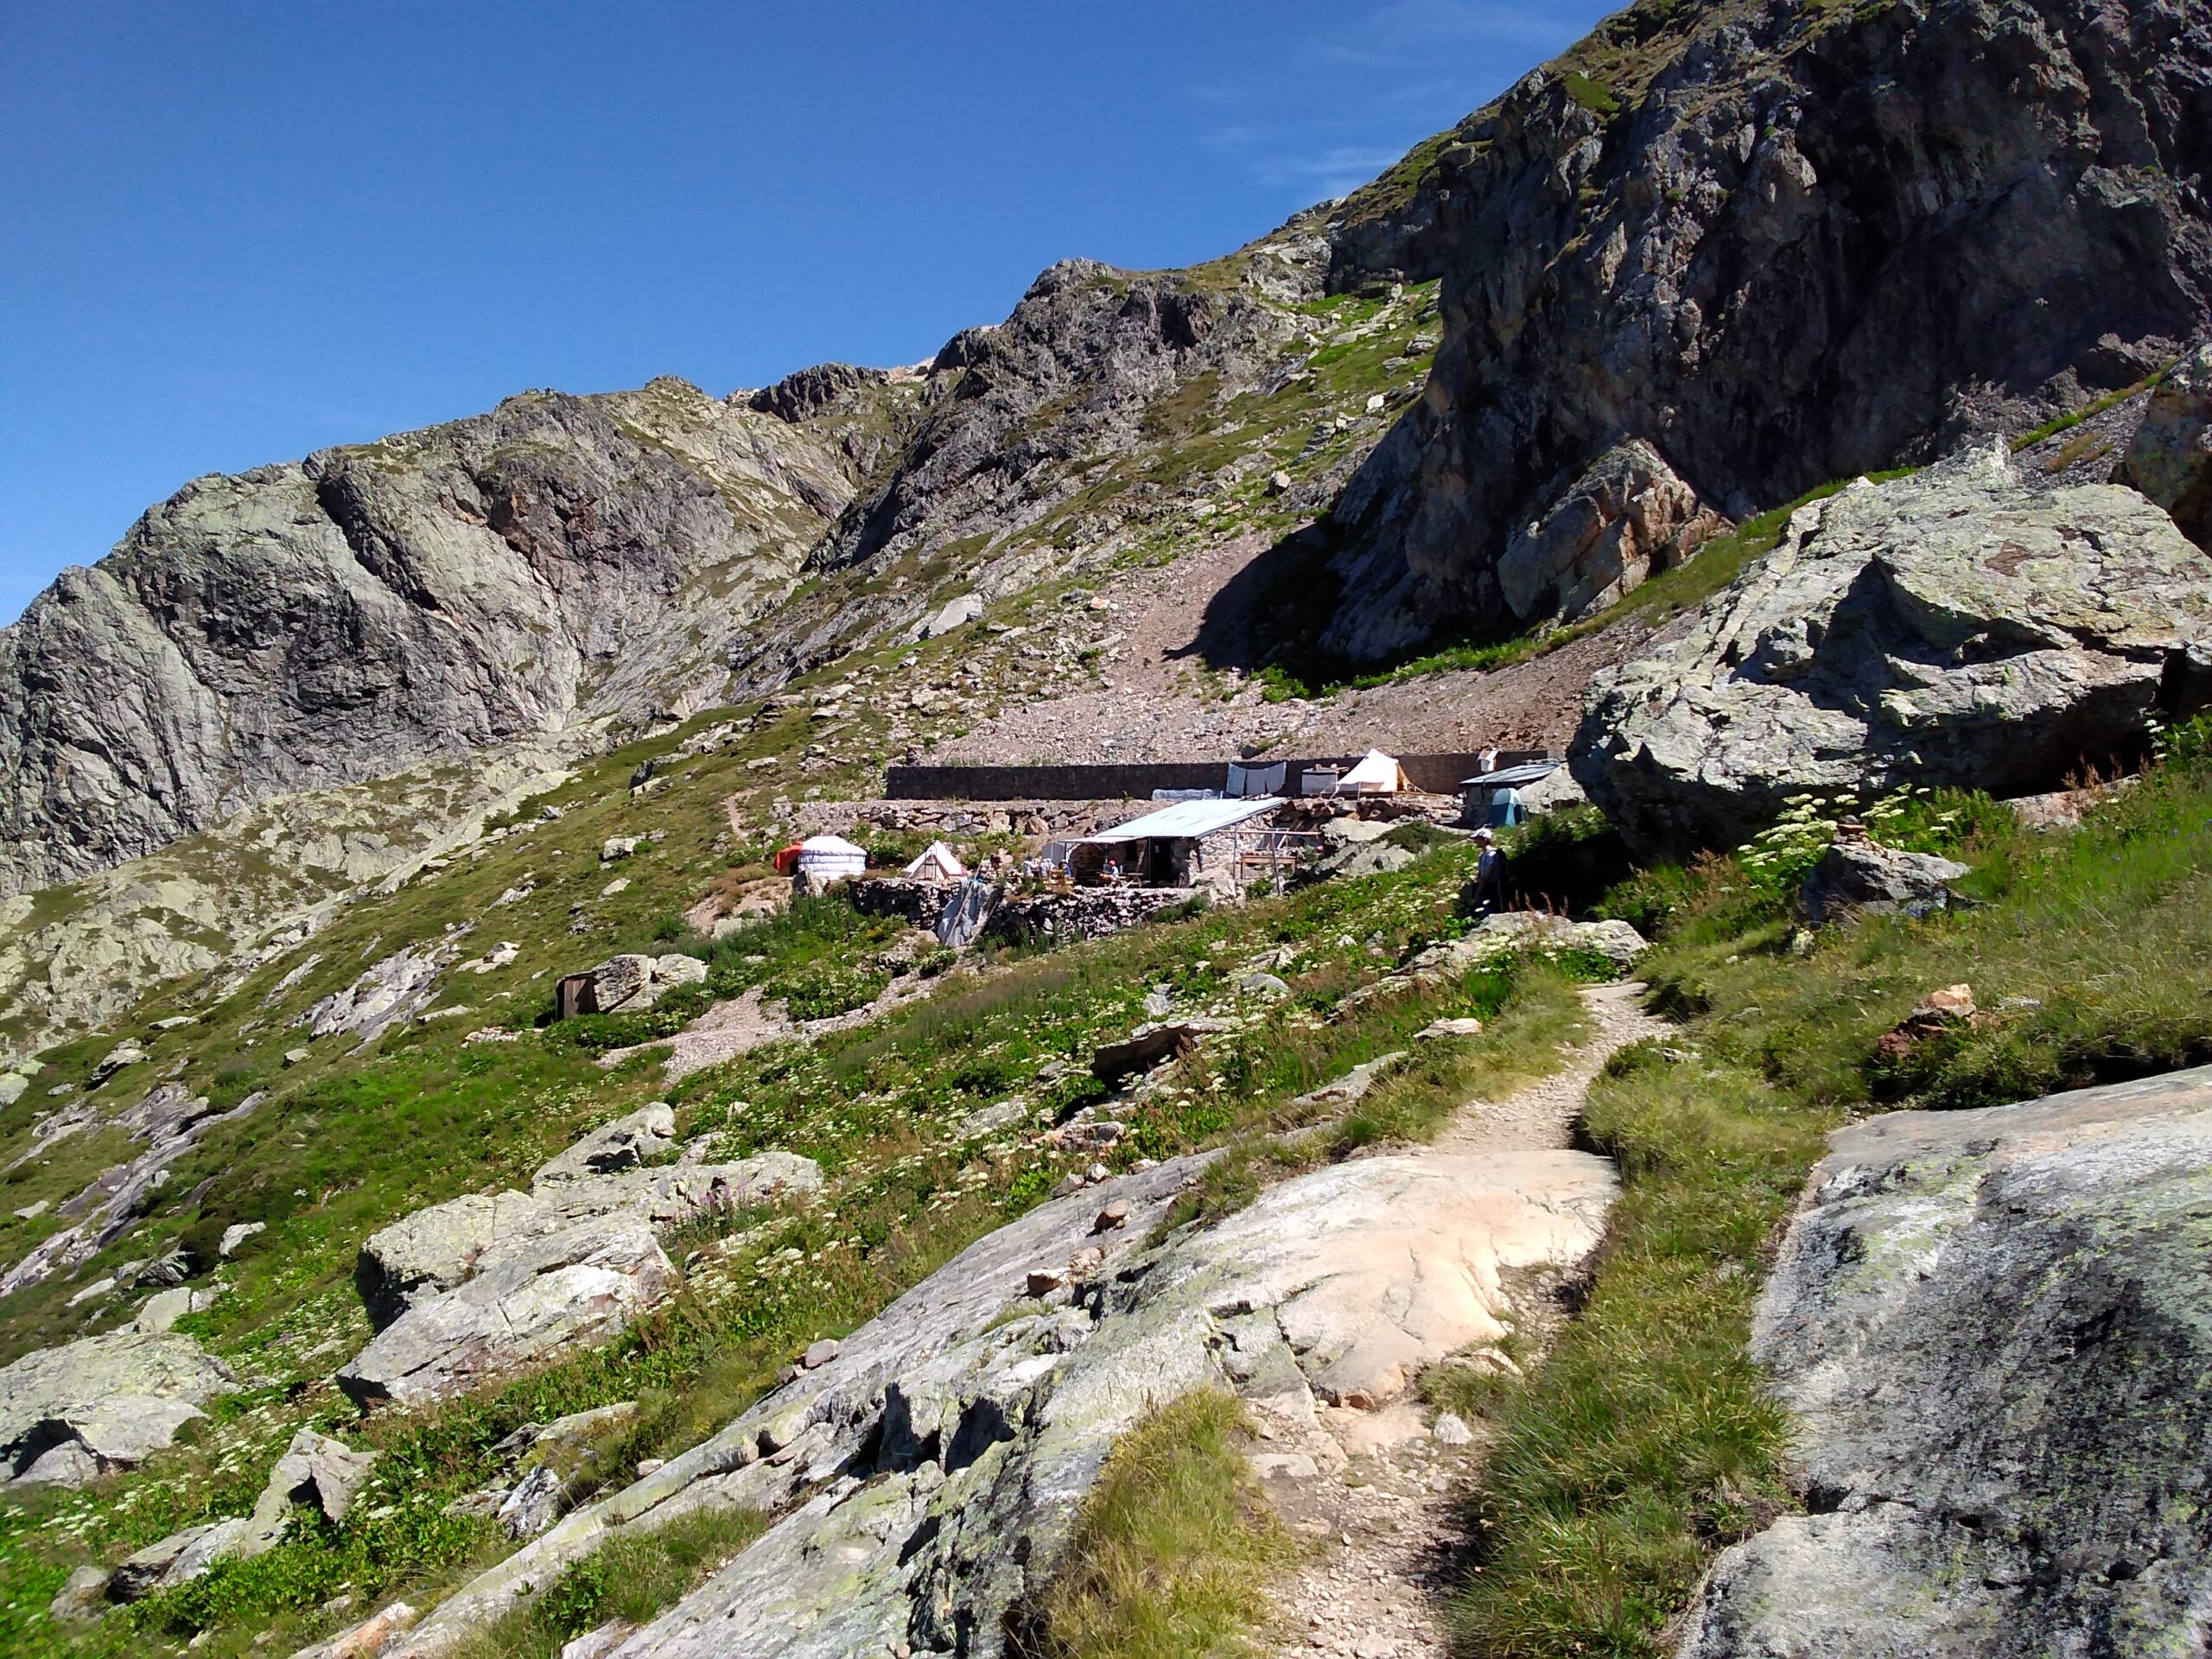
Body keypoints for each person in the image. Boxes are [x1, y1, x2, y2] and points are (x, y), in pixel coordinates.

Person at [1469, 826, 1506, 912]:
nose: (1475, 841)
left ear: (1485, 840)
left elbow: (1485, 877)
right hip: (1485, 887)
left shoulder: (1491, 855)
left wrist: (1477, 895)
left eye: (1477, 839)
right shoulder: (1482, 855)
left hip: (1491, 888)